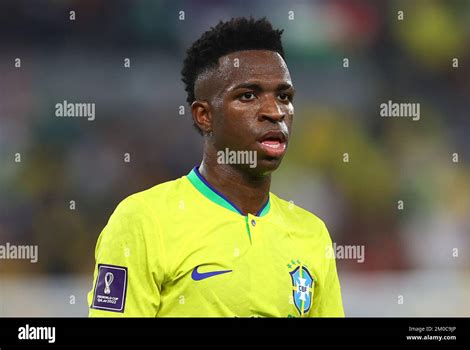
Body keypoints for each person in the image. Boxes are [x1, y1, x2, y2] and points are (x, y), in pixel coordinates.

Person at [88, 17, 344, 317]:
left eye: (284, 97)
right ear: (204, 116)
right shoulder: (144, 221)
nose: (275, 112)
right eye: (248, 96)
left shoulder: (311, 233)